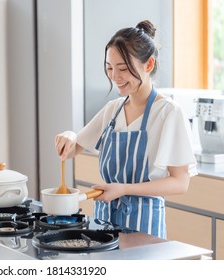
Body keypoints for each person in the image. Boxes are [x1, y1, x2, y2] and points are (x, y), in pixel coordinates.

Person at [54, 20, 197, 239]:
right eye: (109, 68)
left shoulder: (168, 113)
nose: (114, 77)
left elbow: (181, 182)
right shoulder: (113, 109)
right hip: (104, 226)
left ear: (148, 65)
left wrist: (125, 189)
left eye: (122, 69)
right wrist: (69, 136)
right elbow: (74, 148)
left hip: (144, 228)